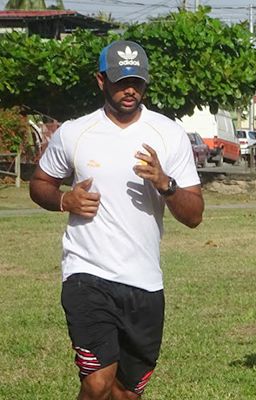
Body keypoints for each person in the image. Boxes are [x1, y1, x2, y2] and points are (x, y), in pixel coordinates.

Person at [28, 40, 204, 399]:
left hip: (144, 281)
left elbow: (195, 215)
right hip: (87, 272)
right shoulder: (76, 133)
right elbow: (40, 183)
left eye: (137, 82)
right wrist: (64, 200)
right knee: (96, 381)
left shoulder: (168, 134)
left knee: (126, 392)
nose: (130, 90)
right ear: (100, 81)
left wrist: (164, 183)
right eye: (121, 81)